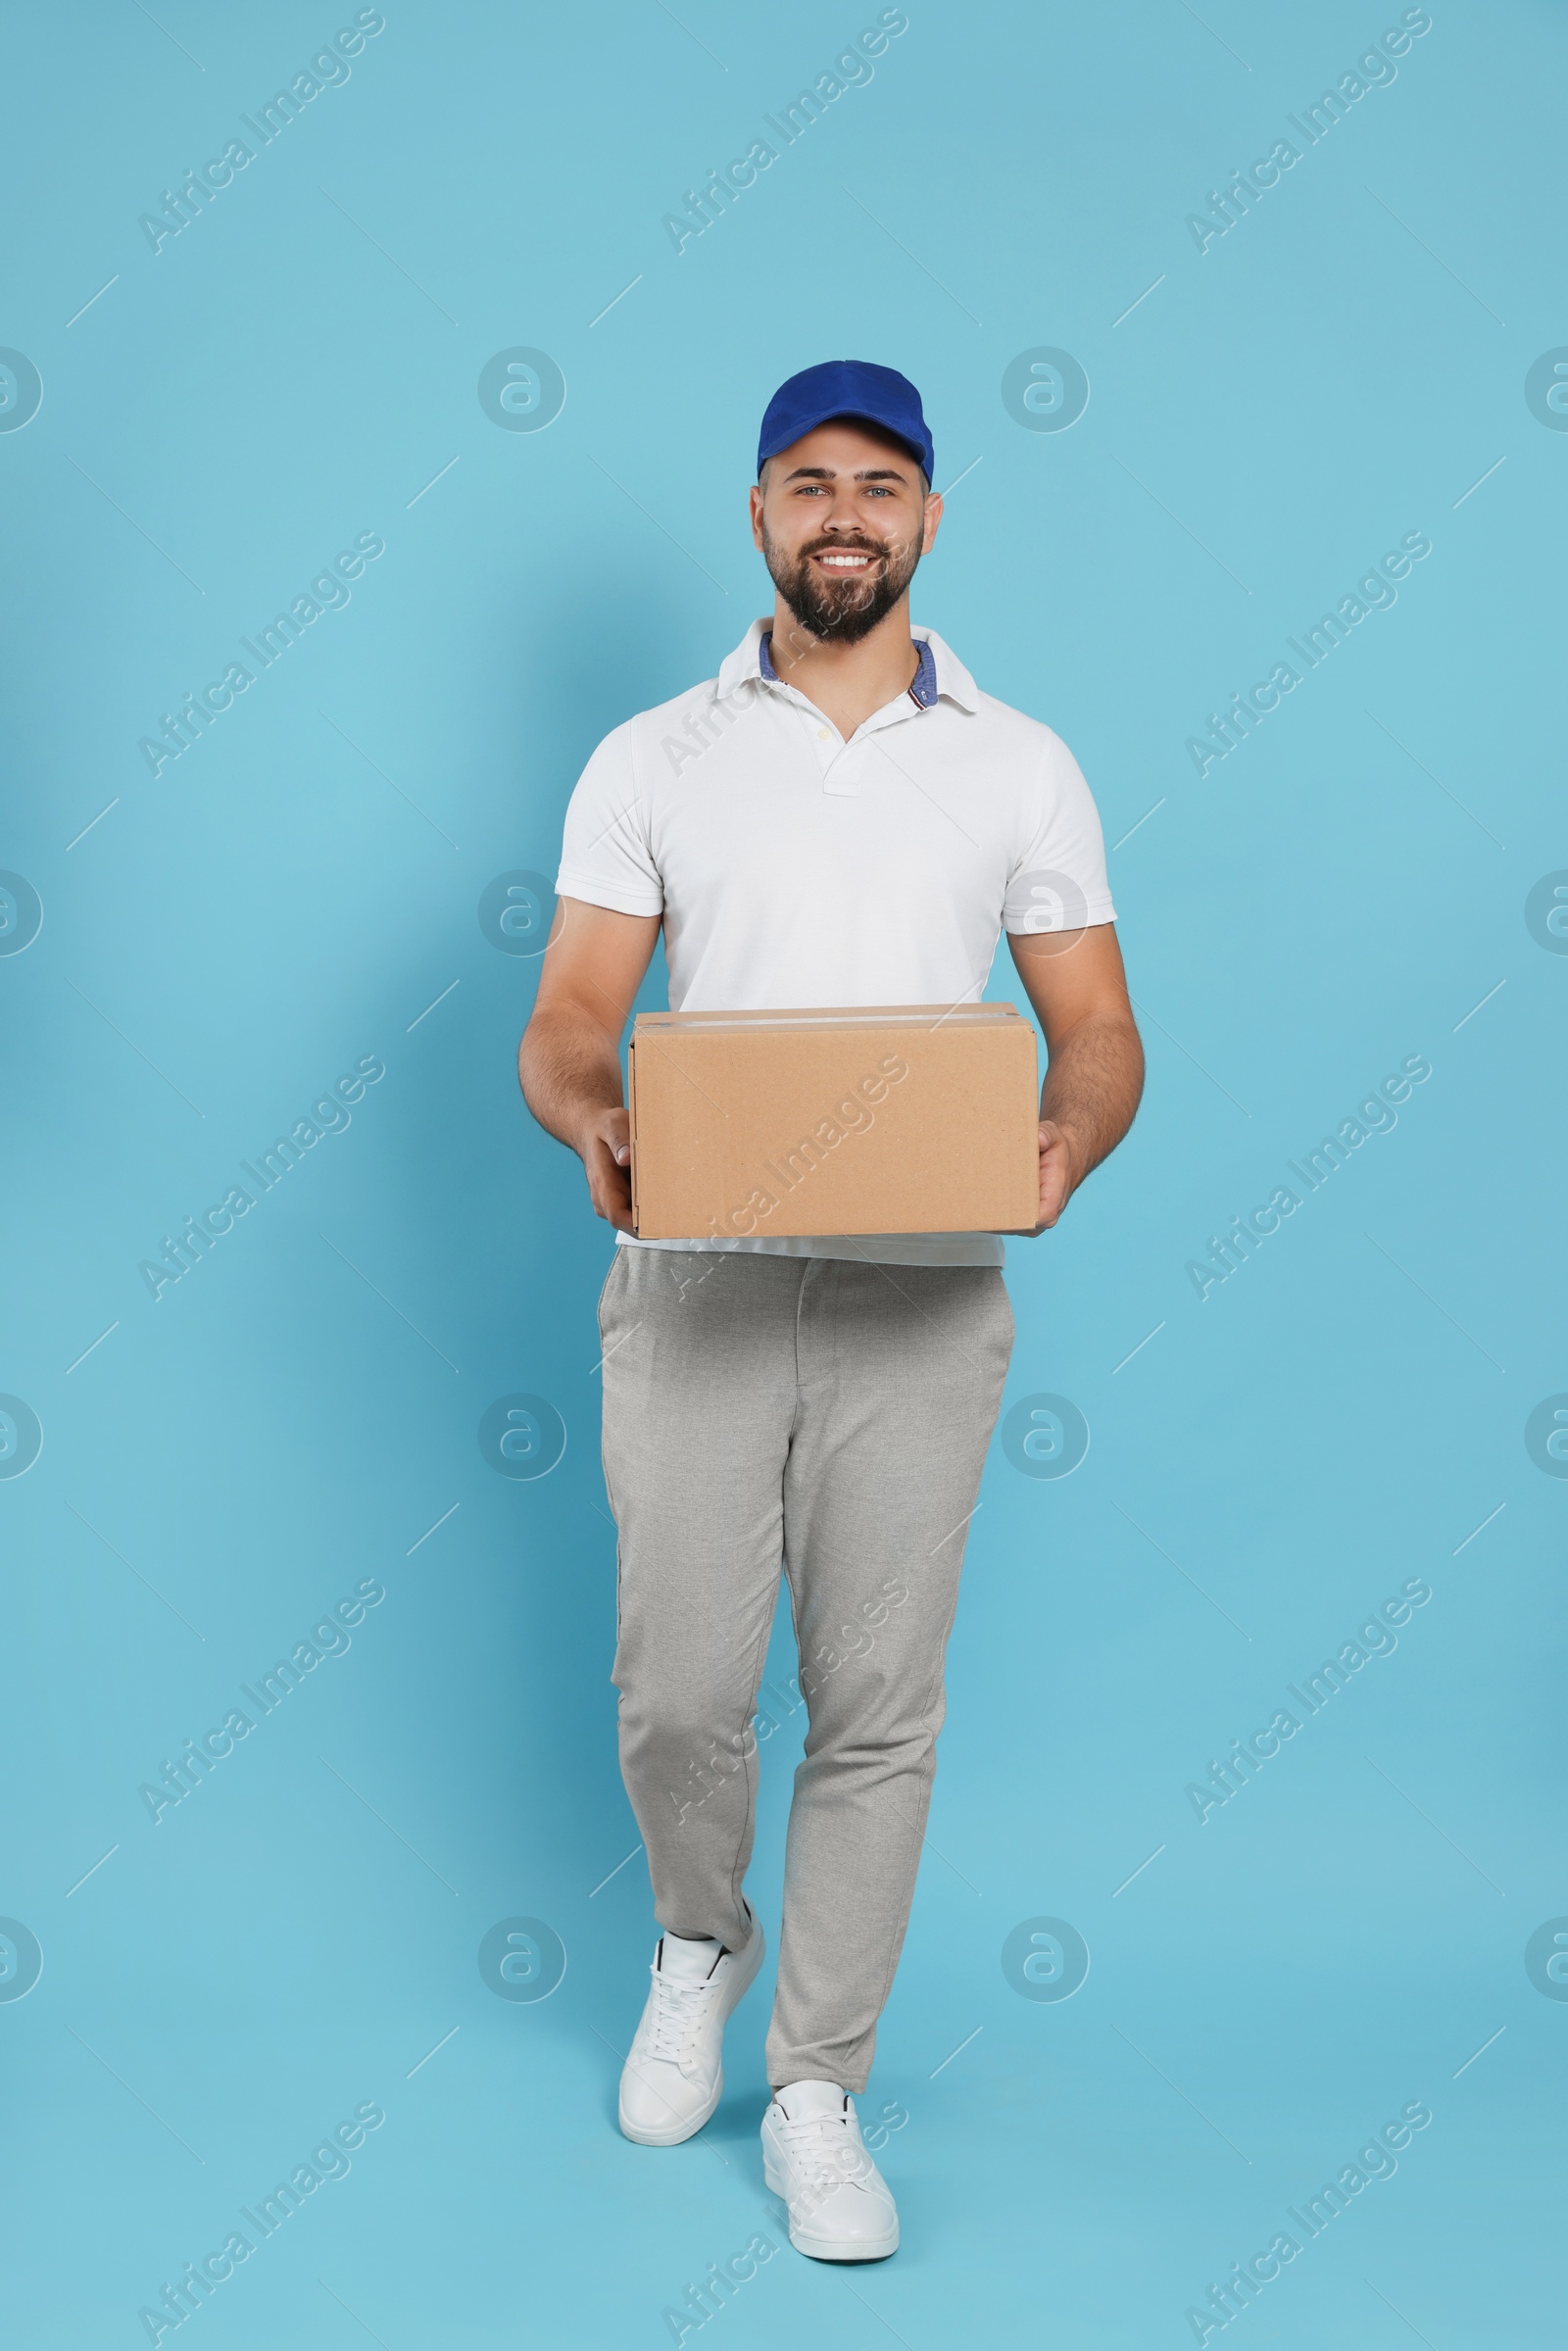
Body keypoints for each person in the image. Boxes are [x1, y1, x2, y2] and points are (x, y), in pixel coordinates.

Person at [517, 360, 1144, 2261]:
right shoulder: (652, 755)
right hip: (695, 1272)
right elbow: (562, 1013)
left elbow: (1098, 1028)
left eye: (879, 483)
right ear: (759, 513)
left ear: (929, 517)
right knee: (681, 1690)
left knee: (874, 1709)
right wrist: (594, 1110)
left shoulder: (1018, 761)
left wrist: (1063, 1143)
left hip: (922, 1297)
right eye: (807, 481)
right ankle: (697, 1935)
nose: (843, 513)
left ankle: (814, 2086)